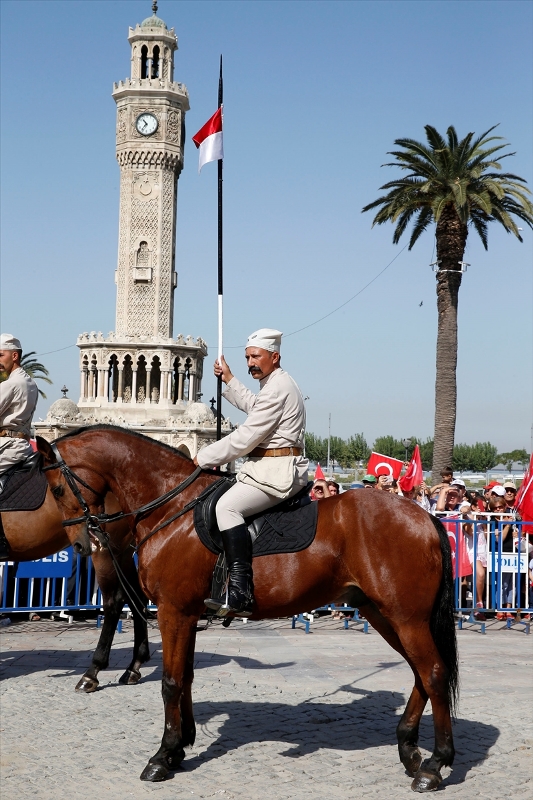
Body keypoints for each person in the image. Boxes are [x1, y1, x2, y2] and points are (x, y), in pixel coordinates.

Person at [194, 329, 308, 615]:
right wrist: (230, 380)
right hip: (267, 468)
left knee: (227, 508)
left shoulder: (278, 387)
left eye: (256, 356)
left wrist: (200, 458)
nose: (250, 363)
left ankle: (239, 590)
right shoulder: (274, 384)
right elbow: (256, 408)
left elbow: (246, 438)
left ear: (275, 356)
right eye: (247, 357)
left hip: (276, 472)